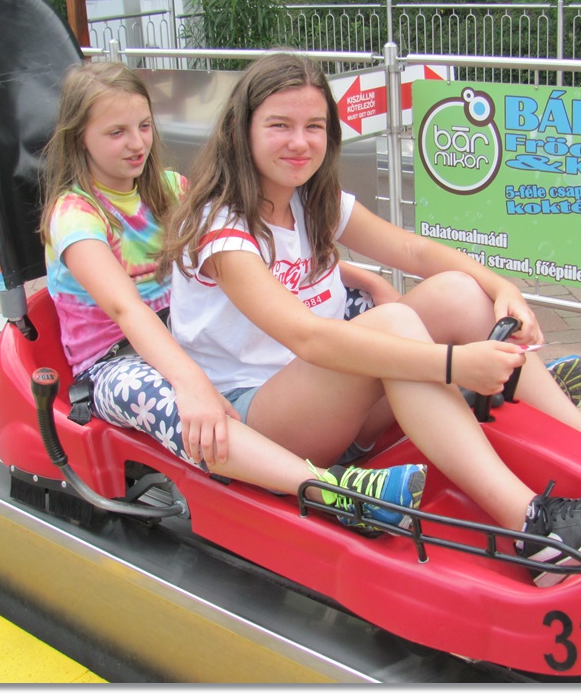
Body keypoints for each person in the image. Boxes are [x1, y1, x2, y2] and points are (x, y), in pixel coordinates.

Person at [159, 52, 581, 586]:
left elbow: (415, 251)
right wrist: (454, 365)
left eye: (315, 126)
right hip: (261, 419)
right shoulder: (222, 227)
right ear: (243, 131)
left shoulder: (310, 199)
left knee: (457, 292)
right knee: (394, 325)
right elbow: (308, 338)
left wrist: (502, 288)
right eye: (280, 125)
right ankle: (532, 527)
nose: (300, 142)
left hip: (332, 400)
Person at [39, 60, 429, 541]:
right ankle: (331, 491)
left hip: (181, 330)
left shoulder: (170, 188)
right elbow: (126, 309)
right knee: (178, 404)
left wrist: (362, 280)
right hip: (116, 356)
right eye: (117, 132)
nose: (137, 143)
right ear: (80, 138)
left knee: (359, 313)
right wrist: (190, 382)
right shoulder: (75, 215)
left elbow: (255, 264)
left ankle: (391, 412)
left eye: (143, 126)